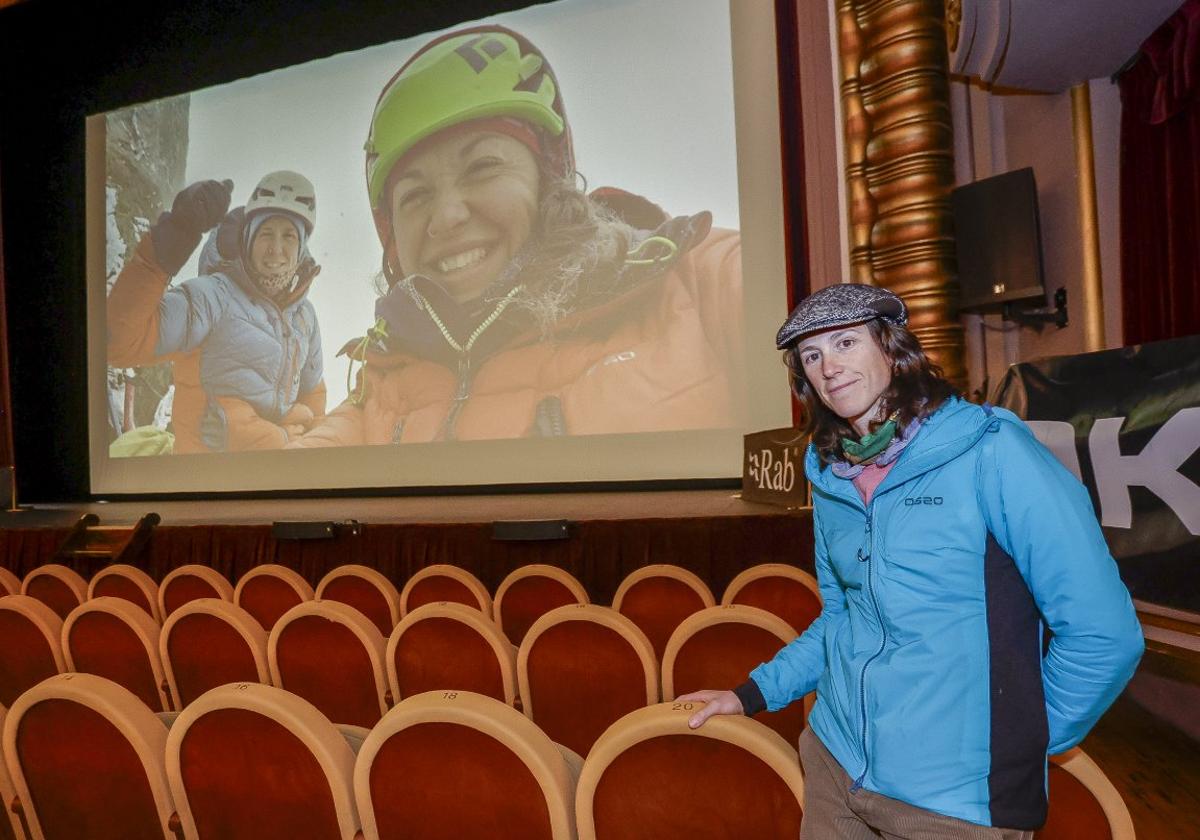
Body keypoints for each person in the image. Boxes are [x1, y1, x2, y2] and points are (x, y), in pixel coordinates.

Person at [680, 283, 1143, 839]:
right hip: (836, 765)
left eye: (846, 342)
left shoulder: (993, 452)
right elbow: (842, 620)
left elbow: (1104, 635)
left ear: (891, 348)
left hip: (949, 805)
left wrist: (1020, 741)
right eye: (812, 355)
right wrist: (750, 694)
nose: (830, 367)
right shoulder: (830, 475)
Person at [289, 25, 743, 447]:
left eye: (482, 166)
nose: (445, 216)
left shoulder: (702, 284)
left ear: (548, 181)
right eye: (415, 195)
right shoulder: (379, 390)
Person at [108, 171, 326, 452]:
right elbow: (120, 342)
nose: (277, 249)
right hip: (202, 482)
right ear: (247, 238)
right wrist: (173, 238)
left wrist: (306, 439)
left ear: (301, 248)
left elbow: (313, 393)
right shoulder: (212, 298)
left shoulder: (305, 317)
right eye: (266, 234)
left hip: (275, 479)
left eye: (289, 237)